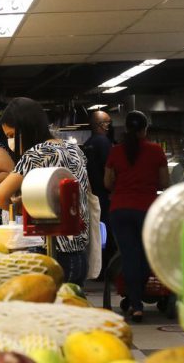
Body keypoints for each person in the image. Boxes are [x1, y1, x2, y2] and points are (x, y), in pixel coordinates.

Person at [0, 97, 91, 286]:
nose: (10, 141)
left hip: (50, 254)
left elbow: (0, 196)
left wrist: (22, 208)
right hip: (79, 254)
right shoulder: (74, 149)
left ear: (26, 129)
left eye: (12, 135)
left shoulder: (36, 153)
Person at [104, 111, 169, 322]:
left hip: (120, 210)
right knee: (145, 256)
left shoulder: (116, 151)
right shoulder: (156, 150)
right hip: (147, 210)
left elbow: (107, 183)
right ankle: (138, 300)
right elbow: (164, 183)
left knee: (129, 256)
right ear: (145, 129)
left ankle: (135, 303)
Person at [82, 110, 114, 278]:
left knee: (97, 234)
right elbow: (110, 171)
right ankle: (106, 270)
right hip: (104, 196)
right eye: (107, 123)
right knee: (107, 234)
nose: (109, 127)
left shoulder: (88, 143)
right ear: (100, 124)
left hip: (92, 195)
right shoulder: (103, 142)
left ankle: (98, 268)